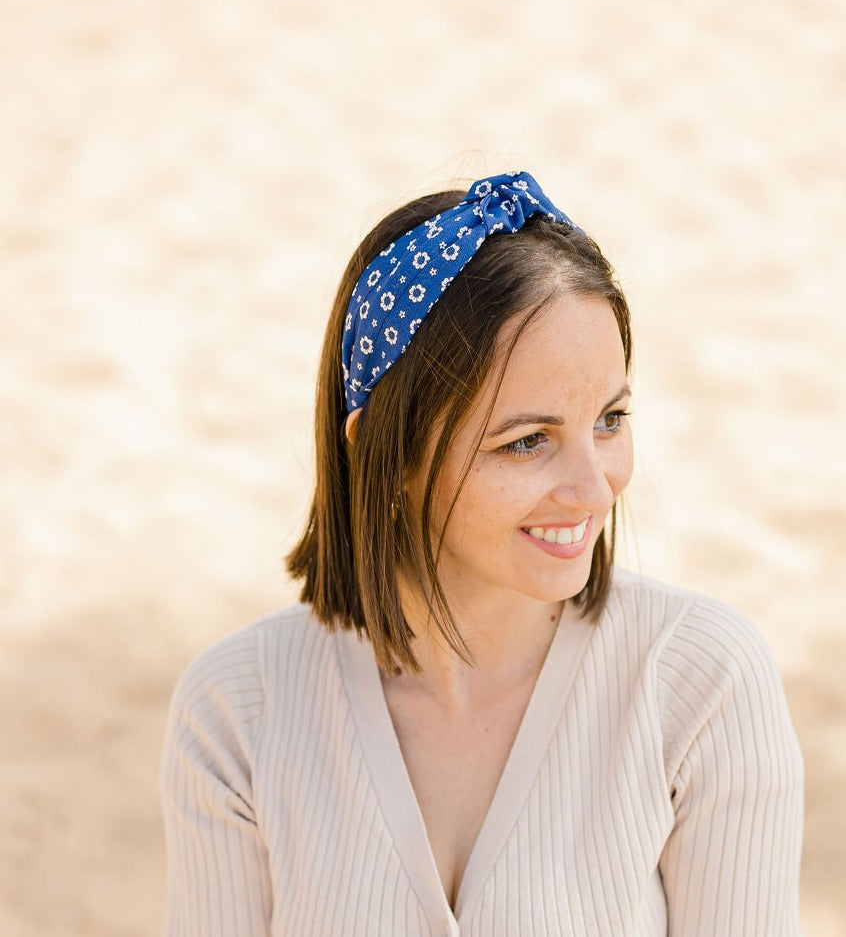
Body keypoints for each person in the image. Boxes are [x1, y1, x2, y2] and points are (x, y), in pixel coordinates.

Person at [160, 171, 805, 936]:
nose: (593, 488)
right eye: (526, 441)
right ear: (383, 449)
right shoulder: (237, 714)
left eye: (608, 419)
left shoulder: (700, 685)